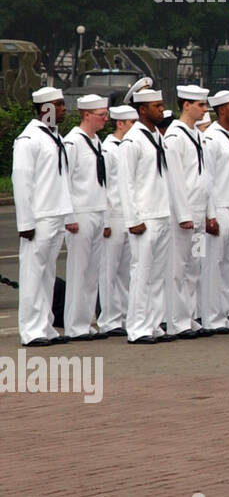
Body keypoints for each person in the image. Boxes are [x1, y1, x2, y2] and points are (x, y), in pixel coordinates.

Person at [12, 87, 73, 346]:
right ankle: (30, 330)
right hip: (38, 216)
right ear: (44, 108)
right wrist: (25, 222)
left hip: (55, 212)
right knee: (32, 275)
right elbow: (22, 181)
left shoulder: (52, 136)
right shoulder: (29, 140)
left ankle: (45, 326)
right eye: (58, 105)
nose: (63, 109)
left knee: (47, 274)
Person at [118, 78, 176, 344]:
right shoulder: (132, 141)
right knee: (141, 272)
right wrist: (133, 219)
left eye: (161, 105)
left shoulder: (155, 137)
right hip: (144, 216)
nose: (161, 110)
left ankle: (153, 324)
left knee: (156, 274)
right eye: (156, 106)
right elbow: (126, 183)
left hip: (161, 212)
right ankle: (138, 327)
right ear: (142, 110)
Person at [163, 84, 215, 338]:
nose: (204, 109)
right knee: (178, 268)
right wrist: (183, 214)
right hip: (183, 215)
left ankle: (189, 316)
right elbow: (175, 179)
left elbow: (206, 177)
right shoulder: (175, 137)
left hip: (198, 211)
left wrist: (207, 212)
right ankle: (176, 320)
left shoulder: (197, 135)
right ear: (186, 105)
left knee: (195, 267)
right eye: (200, 105)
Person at [62, 95, 111, 340]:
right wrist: (68, 216)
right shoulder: (72, 143)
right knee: (78, 272)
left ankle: (86, 323)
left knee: (92, 274)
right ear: (86, 115)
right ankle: (74, 325)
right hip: (80, 213)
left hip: (97, 210)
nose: (105, 118)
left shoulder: (97, 141)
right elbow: (65, 181)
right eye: (101, 114)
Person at [201, 90, 229, 335]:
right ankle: (210, 316)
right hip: (219, 207)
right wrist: (210, 214)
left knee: (228, 266)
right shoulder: (212, 138)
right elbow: (207, 179)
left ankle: (223, 313)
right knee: (214, 266)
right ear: (221, 110)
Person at [97, 104, 136, 338]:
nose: (134, 127)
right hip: (113, 214)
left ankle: (122, 315)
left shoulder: (129, 146)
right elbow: (103, 186)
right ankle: (108, 320)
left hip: (128, 214)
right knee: (108, 271)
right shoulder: (108, 149)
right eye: (131, 123)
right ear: (120, 123)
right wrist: (105, 220)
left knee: (125, 271)